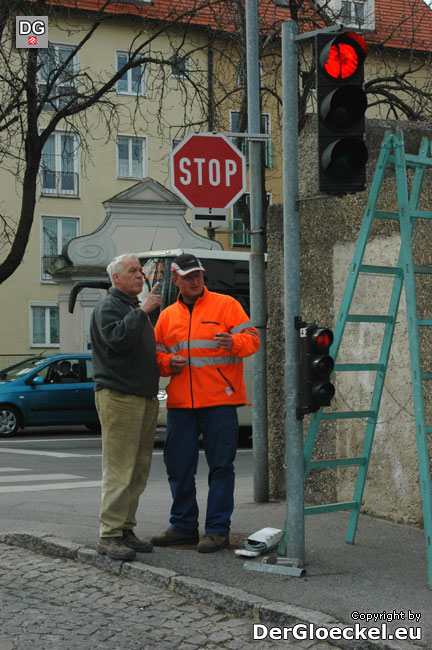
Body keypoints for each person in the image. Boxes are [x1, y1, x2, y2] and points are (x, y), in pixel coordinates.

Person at [151, 253, 259, 553]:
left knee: (221, 467)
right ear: (176, 280)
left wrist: (234, 343)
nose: (195, 280)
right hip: (181, 404)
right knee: (178, 467)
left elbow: (252, 340)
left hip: (219, 402)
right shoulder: (167, 315)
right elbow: (156, 357)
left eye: (198, 274)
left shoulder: (226, 305)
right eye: (188, 277)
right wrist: (168, 362)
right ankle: (184, 527)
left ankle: (217, 531)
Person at [90, 253, 162, 561]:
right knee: (120, 468)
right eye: (133, 271)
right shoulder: (110, 307)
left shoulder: (132, 308)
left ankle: (125, 529)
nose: (140, 276)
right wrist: (143, 311)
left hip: (142, 396)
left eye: (140, 271)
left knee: (138, 469)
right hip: (119, 395)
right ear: (115, 278)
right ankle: (110, 534)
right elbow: (117, 339)